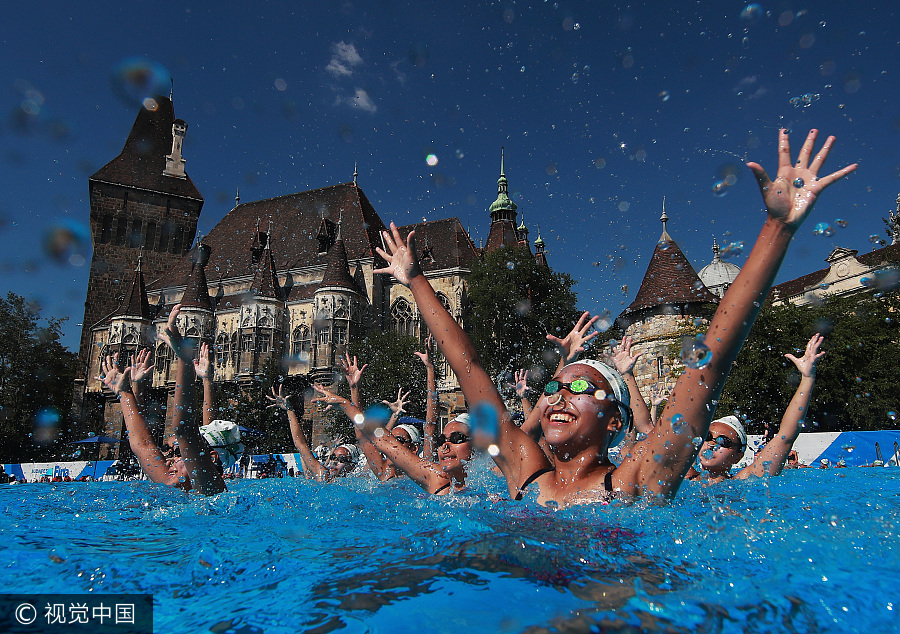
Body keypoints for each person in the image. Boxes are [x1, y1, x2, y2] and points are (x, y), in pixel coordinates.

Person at [373, 128, 855, 507]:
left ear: (615, 421)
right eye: (555, 386)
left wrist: (777, 229)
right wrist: (415, 280)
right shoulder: (523, 471)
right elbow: (470, 367)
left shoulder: (635, 480)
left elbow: (707, 364)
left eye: (581, 387)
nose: (560, 395)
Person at [99, 304, 226, 495]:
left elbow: (185, 429)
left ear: (211, 458)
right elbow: (142, 444)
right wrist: (125, 393)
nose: (168, 460)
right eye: (171, 452)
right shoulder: (169, 480)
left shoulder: (211, 489)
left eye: (177, 453)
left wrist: (184, 360)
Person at [687, 333, 826, 483]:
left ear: (738, 455)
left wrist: (807, 378)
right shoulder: (683, 478)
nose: (712, 443)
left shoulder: (743, 481)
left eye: (723, 441)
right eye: (707, 437)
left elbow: (785, 437)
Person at [266, 385, 358, 480]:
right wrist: (289, 410)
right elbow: (300, 444)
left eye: (341, 459)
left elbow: (365, 435)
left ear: (352, 465)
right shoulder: (323, 477)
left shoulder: (361, 482)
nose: (334, 462)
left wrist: (349, 396)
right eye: (333, 457)